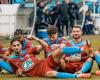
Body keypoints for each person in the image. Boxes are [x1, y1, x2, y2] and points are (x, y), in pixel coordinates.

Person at [0, 38, 91, 78]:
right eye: (14, 46)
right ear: (11, 47)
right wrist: (19, 74)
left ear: (21, 45)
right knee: (52, 74)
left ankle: (83, 49)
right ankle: (79, 76)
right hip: (41, 72)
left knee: (60, 50)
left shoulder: (28, 50)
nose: (16, 47)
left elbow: (45, 45)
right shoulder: (12, 60)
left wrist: (36, 39)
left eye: (18, 45)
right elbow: (16, 71)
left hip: (45, 62)